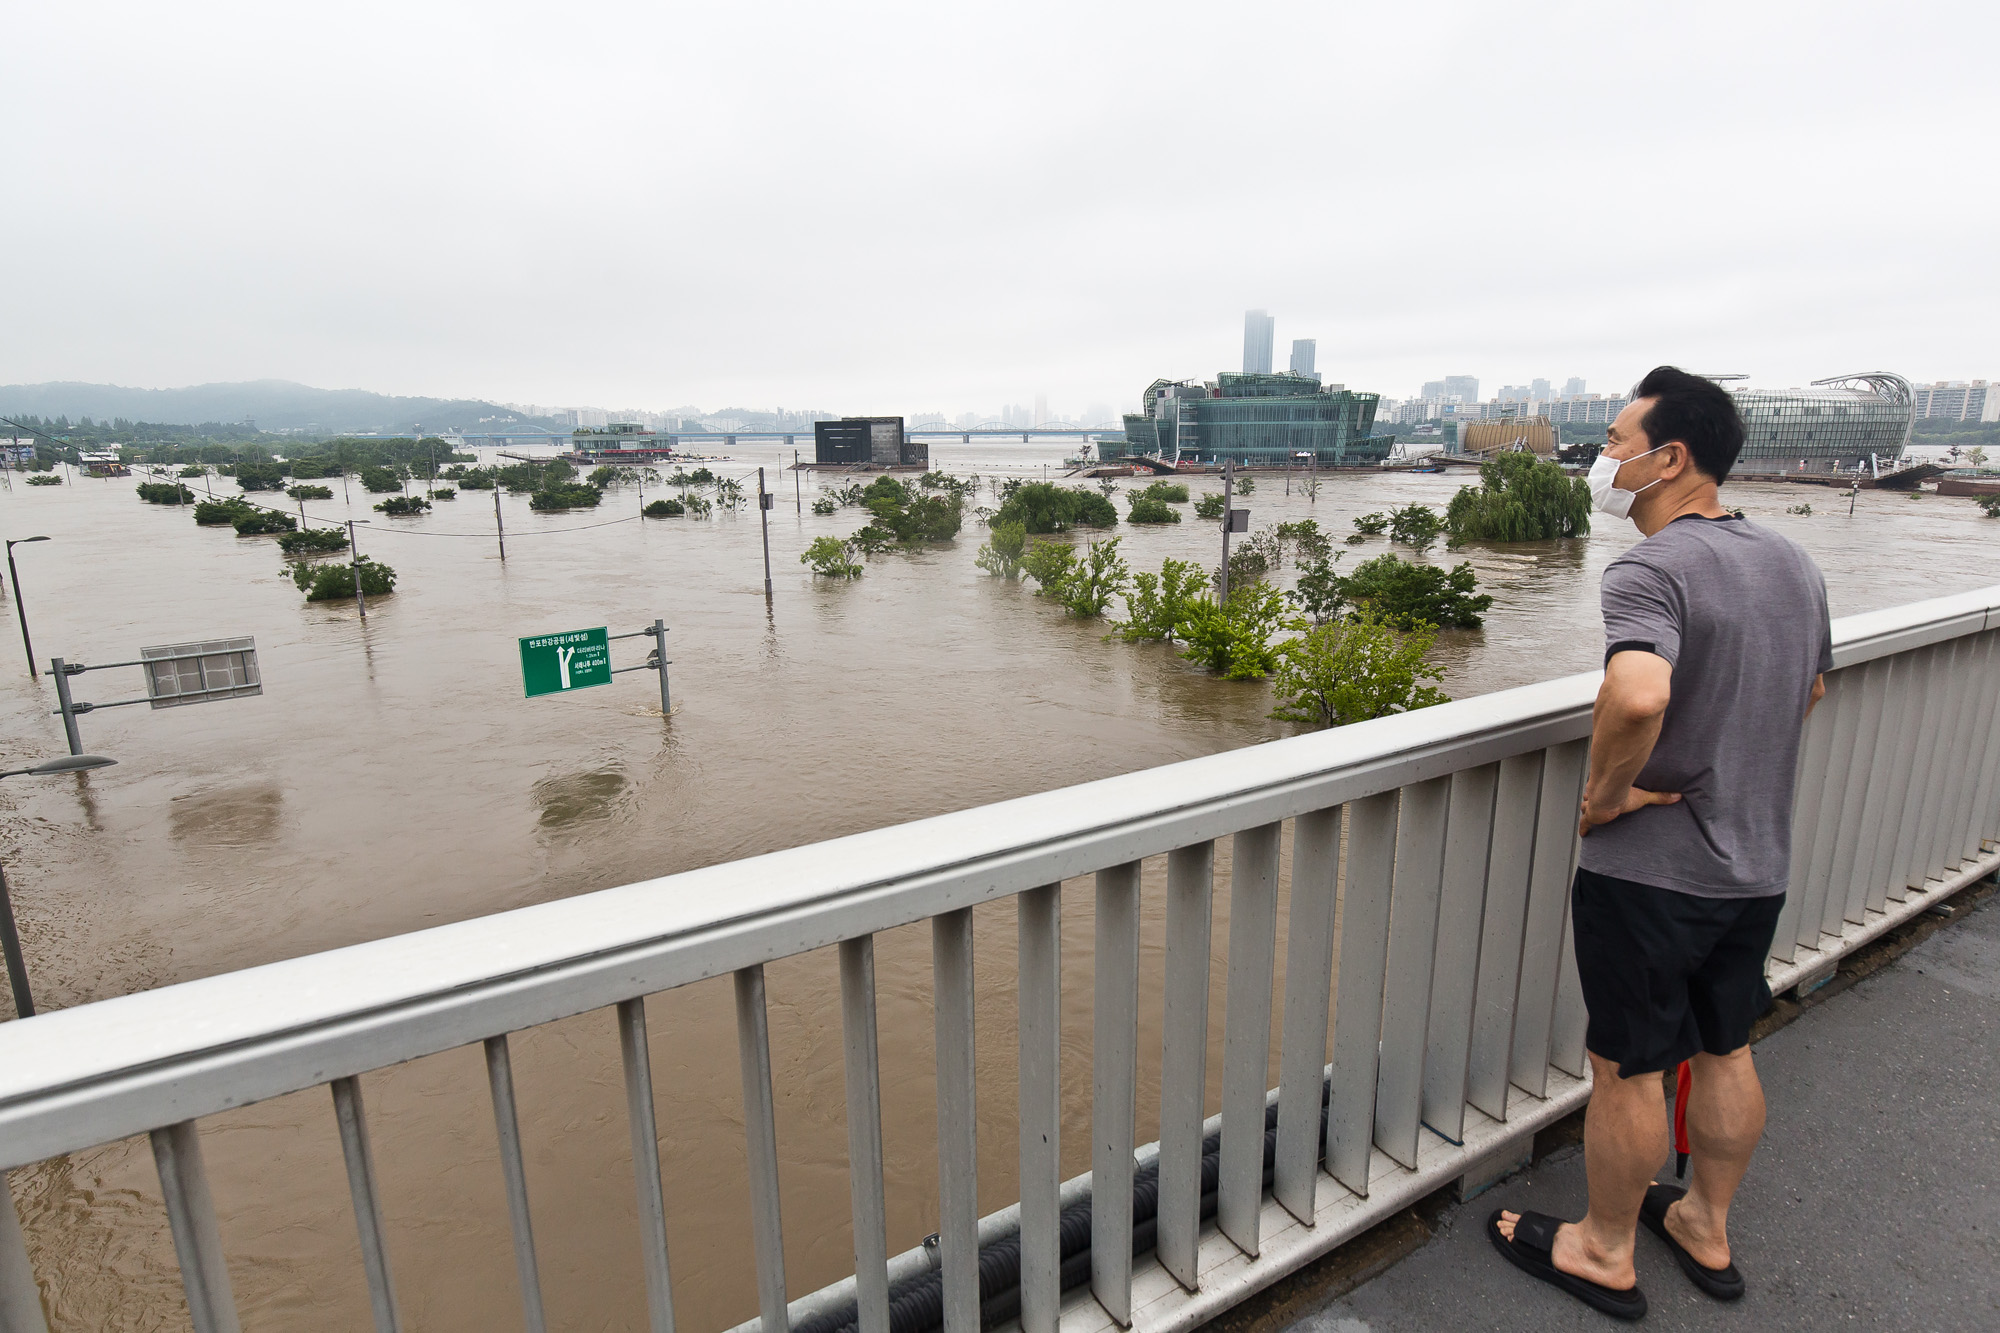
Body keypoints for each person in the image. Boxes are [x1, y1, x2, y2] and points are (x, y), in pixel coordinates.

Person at [1488, 366, 1831, 1320]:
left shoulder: (1651, 568)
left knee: (1628, 1066)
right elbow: (1806, 691)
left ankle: (1603, 1249)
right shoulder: (1793, 564)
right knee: (1724, 1046)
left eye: (1614, 442)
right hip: (1753, 864)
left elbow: (1639, 693)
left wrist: (1607, 795)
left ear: (1669, 457)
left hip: (1651, 877)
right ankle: (1703, 1225)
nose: (1602, 460)